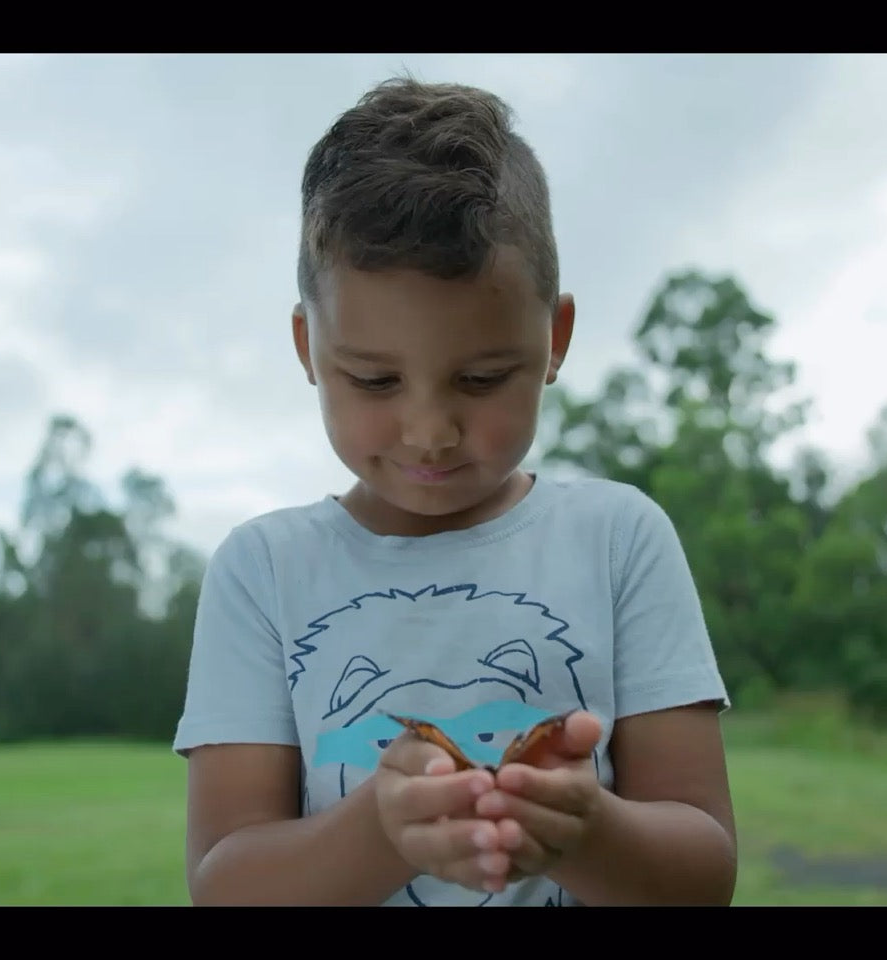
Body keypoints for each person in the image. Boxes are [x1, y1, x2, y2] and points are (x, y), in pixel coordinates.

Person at [173, 76, 737, 907]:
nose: (429, 430)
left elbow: (703, 876)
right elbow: (225, 885)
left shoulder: (620, 540)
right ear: (307, 346)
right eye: (373, 379)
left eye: (481, 378)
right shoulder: (263, 570)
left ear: (555, 339)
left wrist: (589, 833)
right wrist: (379, 831)